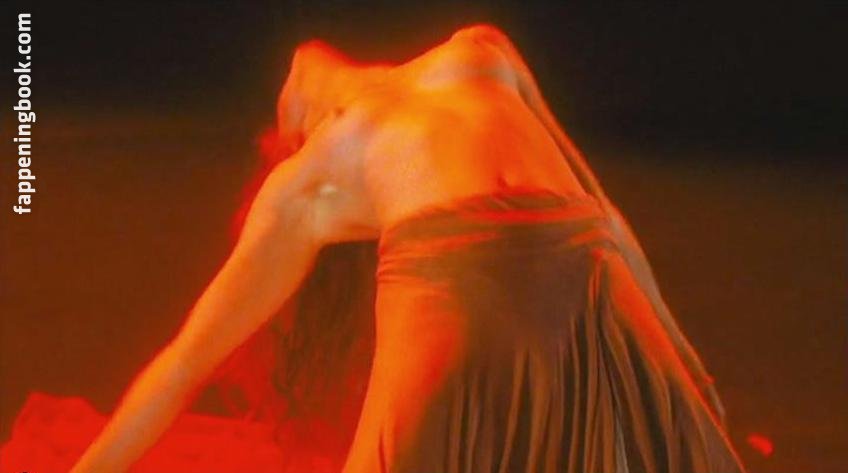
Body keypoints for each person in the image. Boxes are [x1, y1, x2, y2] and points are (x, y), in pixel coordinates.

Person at [71, 24, 746, 473]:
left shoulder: (315, 174)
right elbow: (609, 221)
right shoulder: (479, 53)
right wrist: (687, 369)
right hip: (574, 261)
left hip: (488, 272)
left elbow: (185, 361)